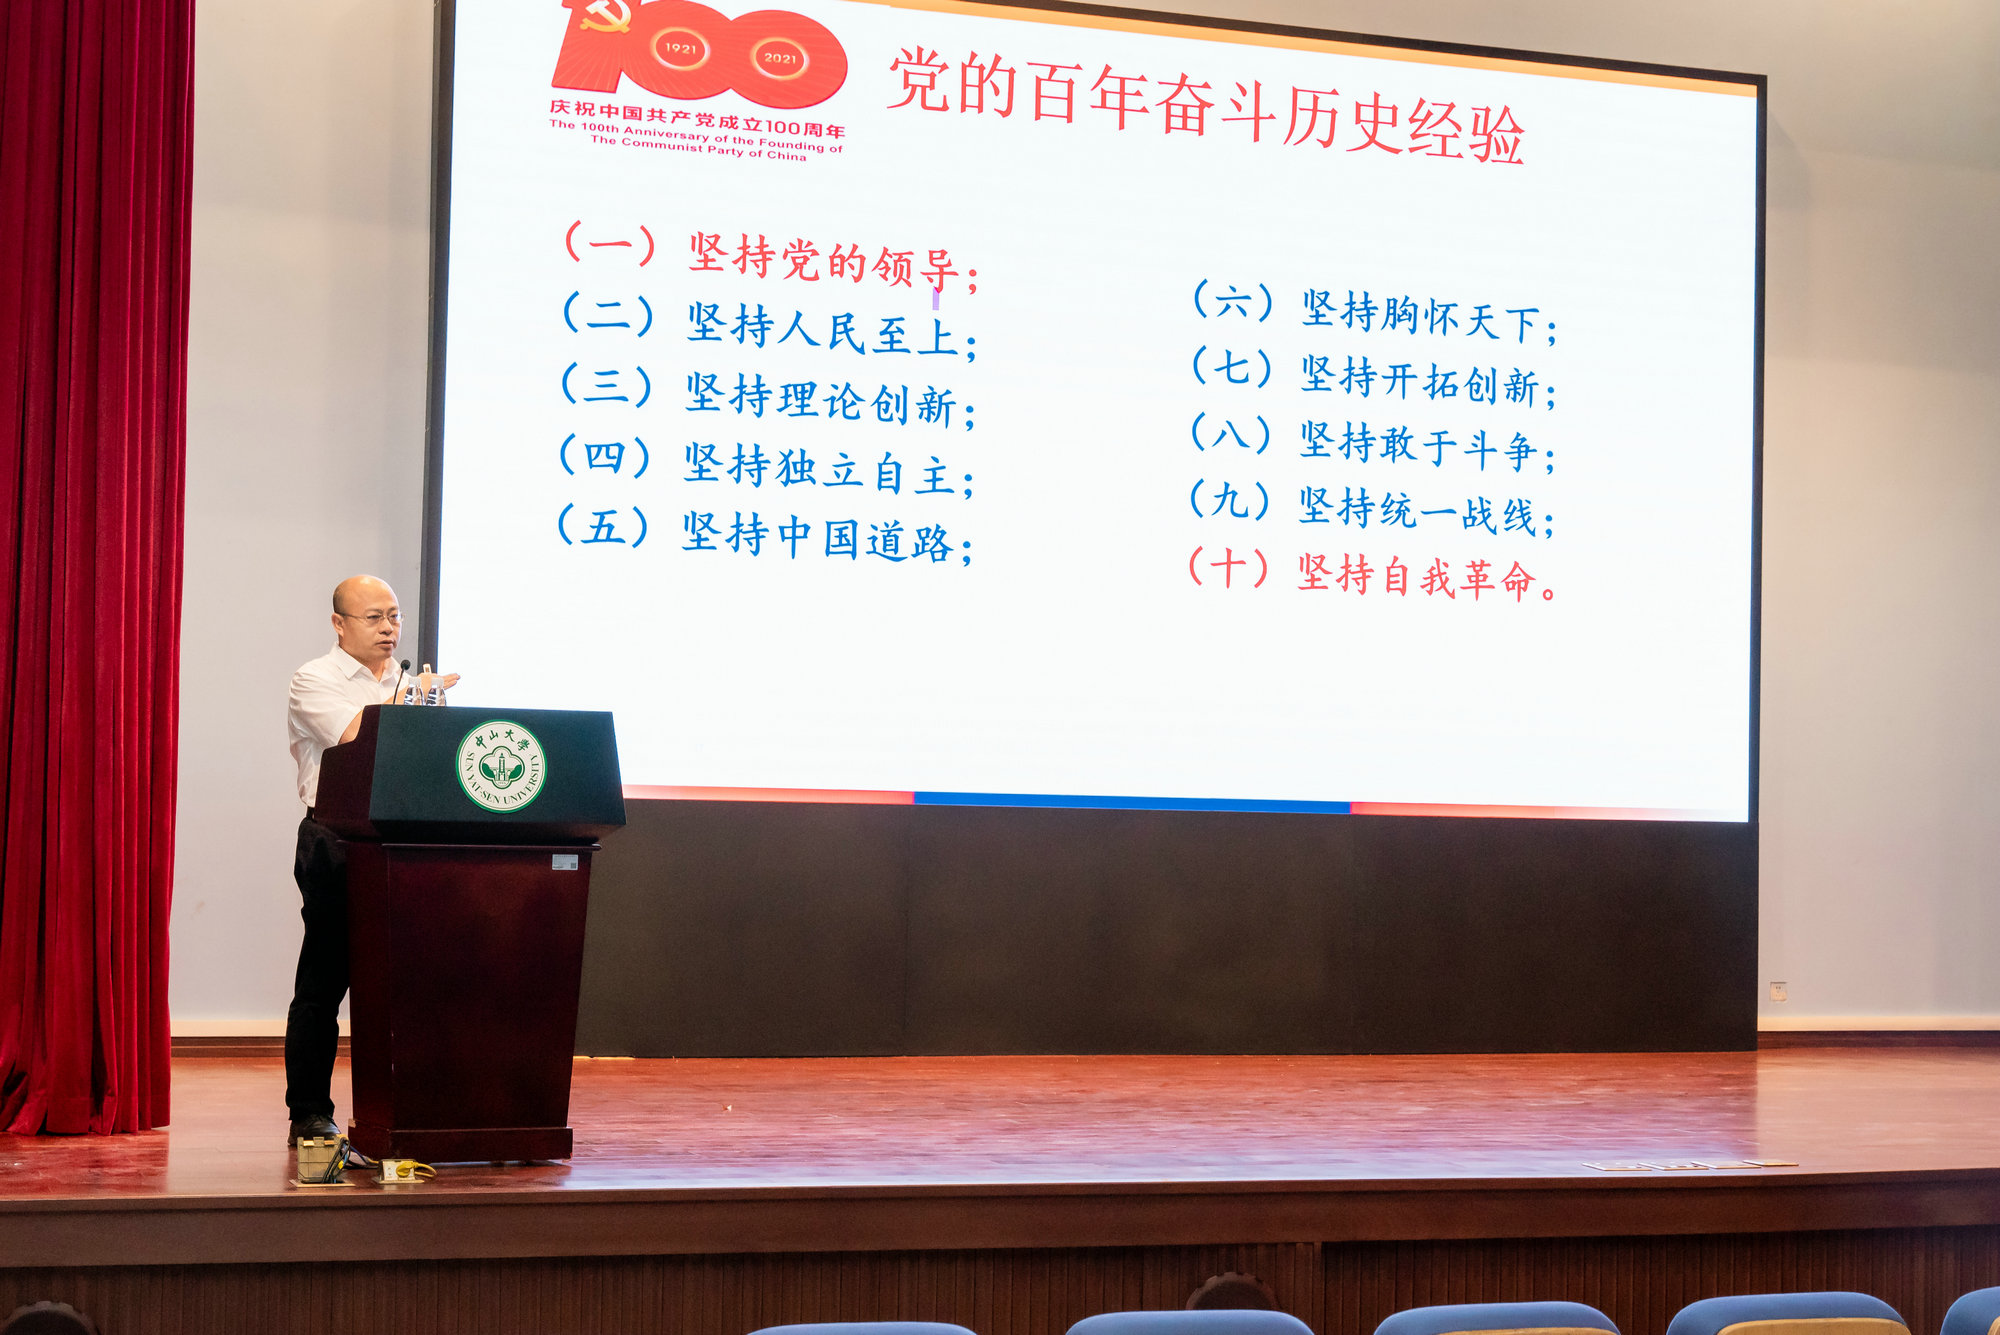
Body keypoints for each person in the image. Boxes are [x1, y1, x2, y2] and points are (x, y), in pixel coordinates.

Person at [282, 576, 459, 1144]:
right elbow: (357, 736)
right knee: (324, 982)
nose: (389, 628)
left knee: (415, 982)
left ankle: (416, 1106)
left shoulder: (409, 682)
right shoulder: (314, 679)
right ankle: (309, 1112)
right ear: (339, 624)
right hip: (337, 841)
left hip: (408, 842)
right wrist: (411, 702)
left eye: (395, 616)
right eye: (374, 618)